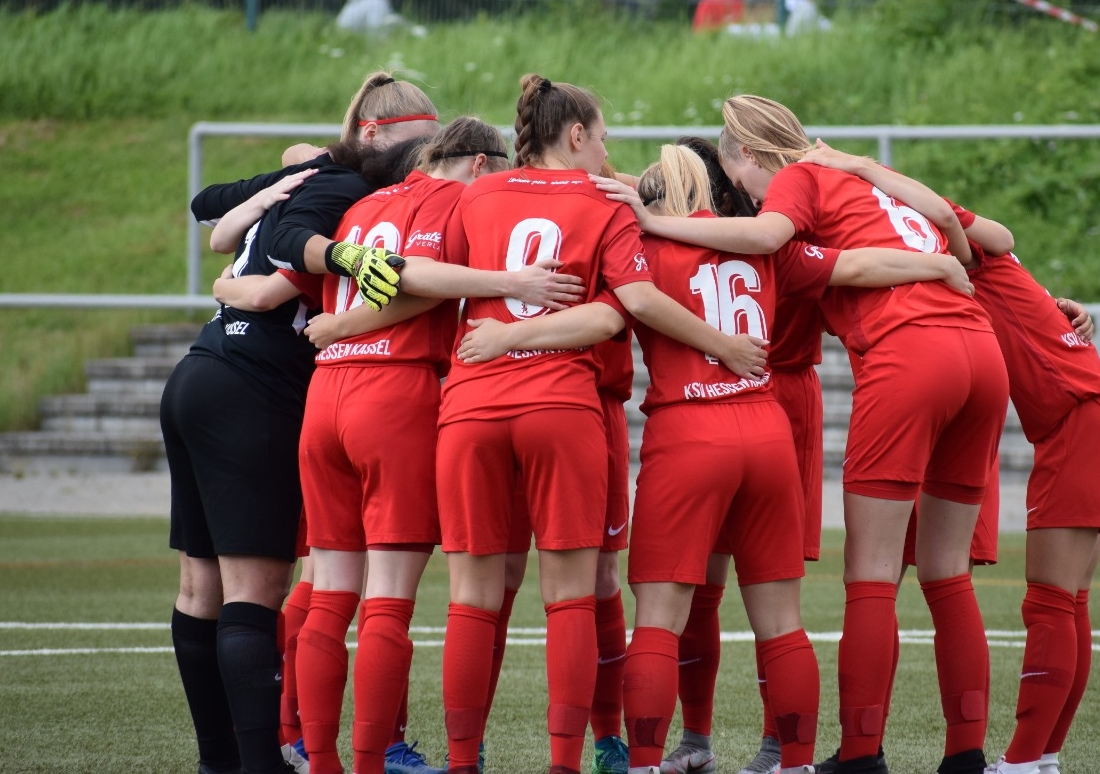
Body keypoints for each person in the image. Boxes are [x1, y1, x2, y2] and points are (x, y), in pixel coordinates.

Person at [343, 75, 768, 774]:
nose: (607, 154)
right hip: (565, 407)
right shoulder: (603, 204)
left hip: (472, 406)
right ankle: (573, 759)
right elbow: (619, 310)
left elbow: (418, 276)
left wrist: (344, 326)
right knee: (575, 596)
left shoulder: (476, 193)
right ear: (575, 135)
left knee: (472, 601)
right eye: (601, 139)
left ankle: (462, 762)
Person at [605, 95, 1008, 774]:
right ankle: (816, 757)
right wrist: (943, 265)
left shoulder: (735, 222)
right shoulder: (840, 199)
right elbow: (952, 234)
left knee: (677, 606)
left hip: (712, 415)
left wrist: (636, 217)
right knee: (832, 603)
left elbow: (640, 294)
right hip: (812, 406)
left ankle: (833, 754)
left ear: (746, 156)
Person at [800, 146, 1100, 774]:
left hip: (1066, 422)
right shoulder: (935, 252)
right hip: (1057, 414)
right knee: (1052, 601)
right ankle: (1034, 759)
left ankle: (1019, 760)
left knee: (1044, 604)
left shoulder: (939, 240)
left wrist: (863, 168)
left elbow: (987, 234)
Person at [285, 118, 587, 774]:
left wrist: (339, 326)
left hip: (325, 393)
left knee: (329, 592)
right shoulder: (454, 199)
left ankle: (319, 759)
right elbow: (417, 280)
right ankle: (370, 762)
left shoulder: (364, 204)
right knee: (388, 600)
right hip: (391, 391)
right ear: (480, 164)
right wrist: (511, 283)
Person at [164, 72, 442, 774]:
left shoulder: (323, 174)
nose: (425, 155)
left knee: (201, 592)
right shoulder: (349, 191)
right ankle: (262, 762)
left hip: (200, 370)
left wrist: (260, 201)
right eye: (418, 139)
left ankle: (221, 763)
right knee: (255, 595)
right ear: (374, 133)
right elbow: (283, 256)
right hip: (255, 388)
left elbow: (208, 206)